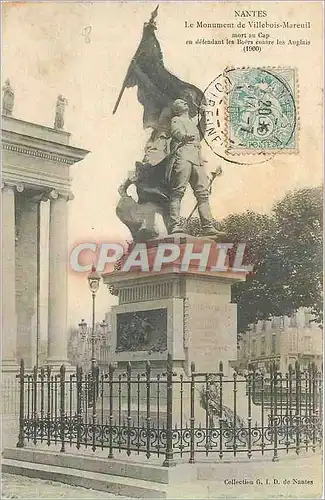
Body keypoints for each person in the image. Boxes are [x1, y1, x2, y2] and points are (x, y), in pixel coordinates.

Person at [166, 99, 218, 236]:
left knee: (203, 194)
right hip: (183, 156)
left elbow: (201, 132)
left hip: (196, 158)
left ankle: (208, 226)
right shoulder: (176, 119)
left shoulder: (191, 123)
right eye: (181, 103)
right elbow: (176, 132)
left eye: (185, 102)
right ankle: (174, 225)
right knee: (178, 191)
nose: (186, 103)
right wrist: (183, 136)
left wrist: (203, 115)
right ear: (176, 109)